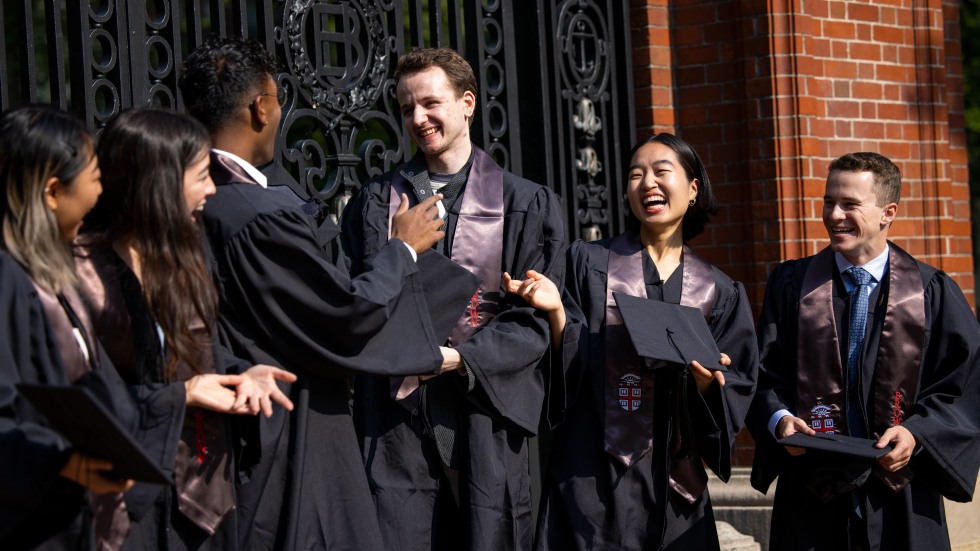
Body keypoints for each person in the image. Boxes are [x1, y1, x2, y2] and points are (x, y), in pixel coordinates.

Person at [179, 37, 452, 549]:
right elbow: (342, 316)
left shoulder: (195, 199)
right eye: (279, 99)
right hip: (289, 428)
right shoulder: (251, 215)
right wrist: (402, 250)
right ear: (262, 107)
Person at [341, 47, 567, 549]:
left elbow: (533, 321)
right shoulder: (377, 203)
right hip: (396, 422)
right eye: (406, 109)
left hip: (483, 413)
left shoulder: (523, 203)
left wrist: (457, 359)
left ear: (467, 103)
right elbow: (352, 299)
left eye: (430, 103)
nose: (418, 119)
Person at [505, 133, 758, 550]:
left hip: (675, 482)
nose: (647, 184)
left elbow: (738, 385)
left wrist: (707, 386)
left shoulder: (718, 291)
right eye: (636, 175)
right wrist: (557, 314)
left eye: (662, 172)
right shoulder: (587, 262)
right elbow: (563, 368)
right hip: (591, 473)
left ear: (693, 189)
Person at [74, 107, 297, 550]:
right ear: (158, 183)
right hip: (127, 503)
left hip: (201, 489)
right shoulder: (82, 277)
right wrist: (183, 395)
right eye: (201, 176)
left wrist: (240, 373)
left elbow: (200, 352)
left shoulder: (183, 257)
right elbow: (79, 402)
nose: (212, 189)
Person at [747, 152, 980, 550]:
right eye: (828, 202)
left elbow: (962, 385)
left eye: (850, 204)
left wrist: (916, 432)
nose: (834, 215)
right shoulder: (793, 286)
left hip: (900, 492)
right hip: (812, 489)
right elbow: (763, 373)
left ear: (888, 212)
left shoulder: (930, 293)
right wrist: (781, 420)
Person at [0, 105, 135, 549]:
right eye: (95, 176)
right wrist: (63, 461)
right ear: (54, 191)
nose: (100, 191)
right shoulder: (9, 283)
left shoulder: (53, 275)